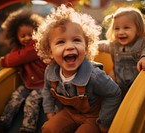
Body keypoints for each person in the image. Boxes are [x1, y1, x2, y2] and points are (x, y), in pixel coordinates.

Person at [34, 4, 122, 133]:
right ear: (50, 51)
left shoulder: (94, 75)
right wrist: (49, 111)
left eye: (76, 40)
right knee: (49, 128)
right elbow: (47, 90)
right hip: (69, 113)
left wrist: (104, 121)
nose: (70, 46)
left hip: (93, 116)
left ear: (86, 47)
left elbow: (114, 93)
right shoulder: (50, 71)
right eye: (61, 42)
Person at [0, 9, 47, 133]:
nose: (27, 38)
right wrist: (8, 58)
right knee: (15, 97)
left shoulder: (35, 47)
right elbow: (15, 55)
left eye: (30, 34)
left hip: (43, 84)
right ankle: (3, 122)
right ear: (16, 37)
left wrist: (4, 60)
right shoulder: (19, 48)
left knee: (31, 101)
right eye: (22, 36)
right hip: (28, 85)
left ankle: (27, 128)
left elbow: (16, 59)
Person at [98, 7, 145, 98]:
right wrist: (92, 45)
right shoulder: (115, 45)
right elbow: (103, 45)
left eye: (126, 28)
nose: (120, 32)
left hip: (138, 86)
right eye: (116, 28)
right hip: (119, 85)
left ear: (138, 29)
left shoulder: (143, 42)